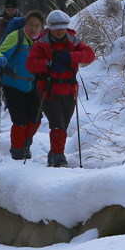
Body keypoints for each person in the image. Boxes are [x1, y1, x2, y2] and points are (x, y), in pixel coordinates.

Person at [25, 9, 95, 167]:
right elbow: (30, 65)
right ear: (50, 28)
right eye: (56, 29)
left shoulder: (73, 40)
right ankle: (58, 157)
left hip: (69, 91)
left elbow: (90, 54)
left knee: (63, 124)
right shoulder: (41, 43)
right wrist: (48, 64)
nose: (59, 32)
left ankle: (54, 153)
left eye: (62, 28)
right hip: (48, 91)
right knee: (58, 125)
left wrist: (70, 56)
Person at [0, 10, 46, 159]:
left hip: (32, 86)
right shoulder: (16, 36)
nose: (33, 28)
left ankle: (26, 144)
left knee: (35, 118)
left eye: (36, 26)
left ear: (41, 28)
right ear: (25, 24)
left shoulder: (41, 41)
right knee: (19, 119)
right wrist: (0, 59)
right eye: (30, 25)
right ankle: (17, 151)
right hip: (13, 84)